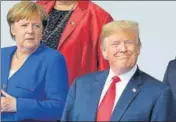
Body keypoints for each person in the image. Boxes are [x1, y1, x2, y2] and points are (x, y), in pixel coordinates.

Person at [61, 20, 176, 121]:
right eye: (115, 44)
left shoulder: (159, 93)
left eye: (129, 43)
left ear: (138, 48)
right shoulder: (80, 85)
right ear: (104, 51)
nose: (123, 49)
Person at [1, 1, 68, 121]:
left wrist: (17, 105)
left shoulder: (53, 59)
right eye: (24, 25)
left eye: (36, 26)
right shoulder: (2, 54)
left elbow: (59, 108)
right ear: (13, 29)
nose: (30, 31)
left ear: (42, 31)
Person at [36, 0, 113, 86]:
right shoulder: (37, 7)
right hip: (33, 88)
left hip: (72, 92)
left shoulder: (99, 17)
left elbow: (105, 69)